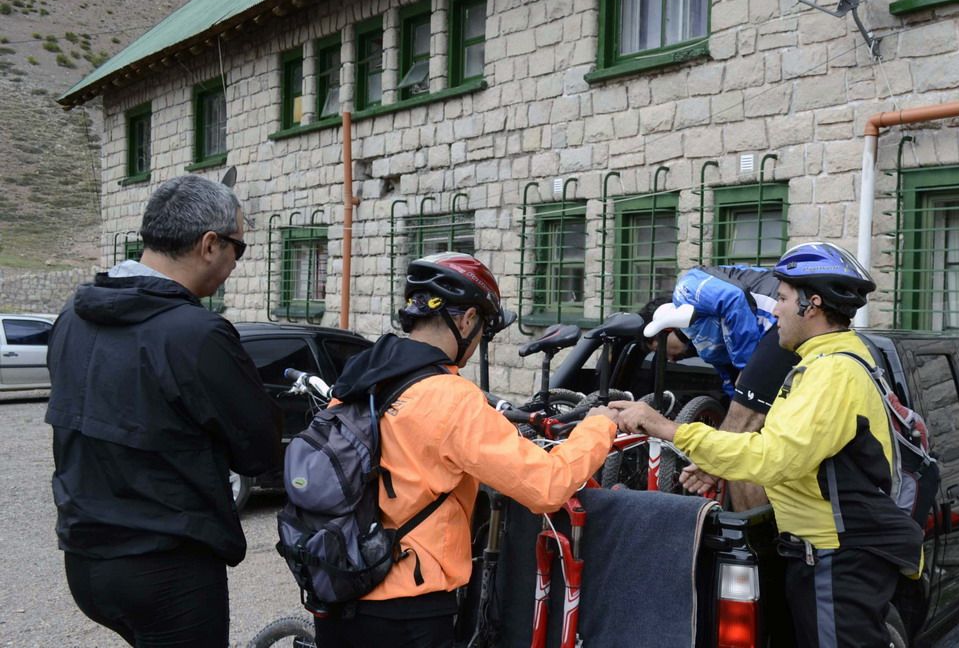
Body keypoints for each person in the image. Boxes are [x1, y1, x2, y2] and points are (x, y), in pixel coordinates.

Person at [613, 242, 921, 648]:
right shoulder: (816, 366)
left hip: (838, 554)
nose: (773, 310)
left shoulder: (833, 374)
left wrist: (668, 429)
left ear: (811, 305)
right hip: (820, 550)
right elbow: (779, 446)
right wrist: (716, 460)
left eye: (781, 298)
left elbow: (773, 458)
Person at [311, 252, 619, 648]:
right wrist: (599, 426)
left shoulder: (361, 379)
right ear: (467, 320)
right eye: (482, 330)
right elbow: (547, 485)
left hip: (338, 590)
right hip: (407, 609)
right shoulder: (451, 397)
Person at [46, 175, 279, 647]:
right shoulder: (197, 333)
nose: (237, 261)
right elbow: (259, 453)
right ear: (210, 245)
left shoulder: (75, 314)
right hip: (167, 567)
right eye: (239, 247)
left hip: (86, 557)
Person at [640, 265, 801, 510]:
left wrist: (745, 366)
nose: (670, 359)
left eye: (659, 347)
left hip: (781, 319)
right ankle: (762, 530)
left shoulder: (687, 286)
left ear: (665, 328)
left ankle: (752, 540)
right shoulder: (707, 342)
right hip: (774, 337)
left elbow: (733, 298)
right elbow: (731, 385)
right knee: (744, 445)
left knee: (734, 446)